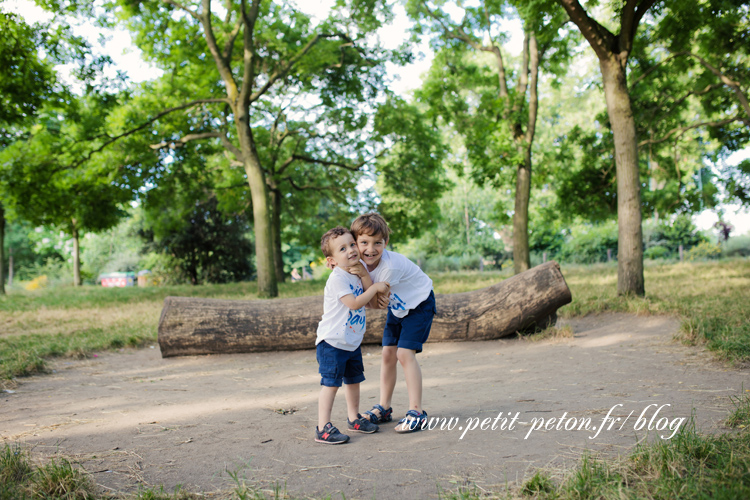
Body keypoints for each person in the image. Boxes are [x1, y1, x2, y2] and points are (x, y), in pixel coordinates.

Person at [351, 213, 436, 433]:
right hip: (398, 307)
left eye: (377, 243)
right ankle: (385, 407)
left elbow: (377, 303)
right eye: (364, 243)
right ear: (355, 243)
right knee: (388, 353)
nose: (370, 249)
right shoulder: (358, 261)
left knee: (404, 354)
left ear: (385, 243)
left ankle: (416, 412)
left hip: (419, 303)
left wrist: (361, 277)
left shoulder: (390, 267)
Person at [314, 226, 390, 444]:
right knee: (331, 383)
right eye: (342, 249)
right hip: (332, 342)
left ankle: (353, 417)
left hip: (351, 341)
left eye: (351, 244)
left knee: (354, 380)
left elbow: (368, 287)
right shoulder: (337, 278)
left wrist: (366, 275)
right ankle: (323, 427)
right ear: (332, 261)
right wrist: (375, 289)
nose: (350, 250)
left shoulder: (357, 272)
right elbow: (355, 303)